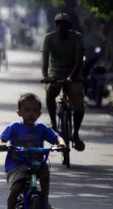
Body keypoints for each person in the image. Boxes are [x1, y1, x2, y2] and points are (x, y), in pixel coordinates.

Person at [0, 93, 66, 209]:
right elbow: (1, 138)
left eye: (34, 110)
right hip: (16, 164)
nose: (30, 113)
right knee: (16, 189)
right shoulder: (14, 127)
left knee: (44, 170)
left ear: (39, 113)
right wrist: (1, 144)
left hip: (36, 162)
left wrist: (61, 144)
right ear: (19, 113)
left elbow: (57, 137)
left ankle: (44, 199)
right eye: (26, 110)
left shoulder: (41, 128)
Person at [41, 13, 86, 151]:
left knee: (79, 105)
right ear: (55, 25)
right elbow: (45, 61)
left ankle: (75, 133)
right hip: (55, 72)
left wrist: (71, 77)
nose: (61, 26)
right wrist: (46, 76)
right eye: (58, 23)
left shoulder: (77, 37)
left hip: (74, 72)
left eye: (64, 24)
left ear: (69, 26)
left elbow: (79, 61)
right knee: (50, 94)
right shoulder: (49, 38)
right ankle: (54, 124)